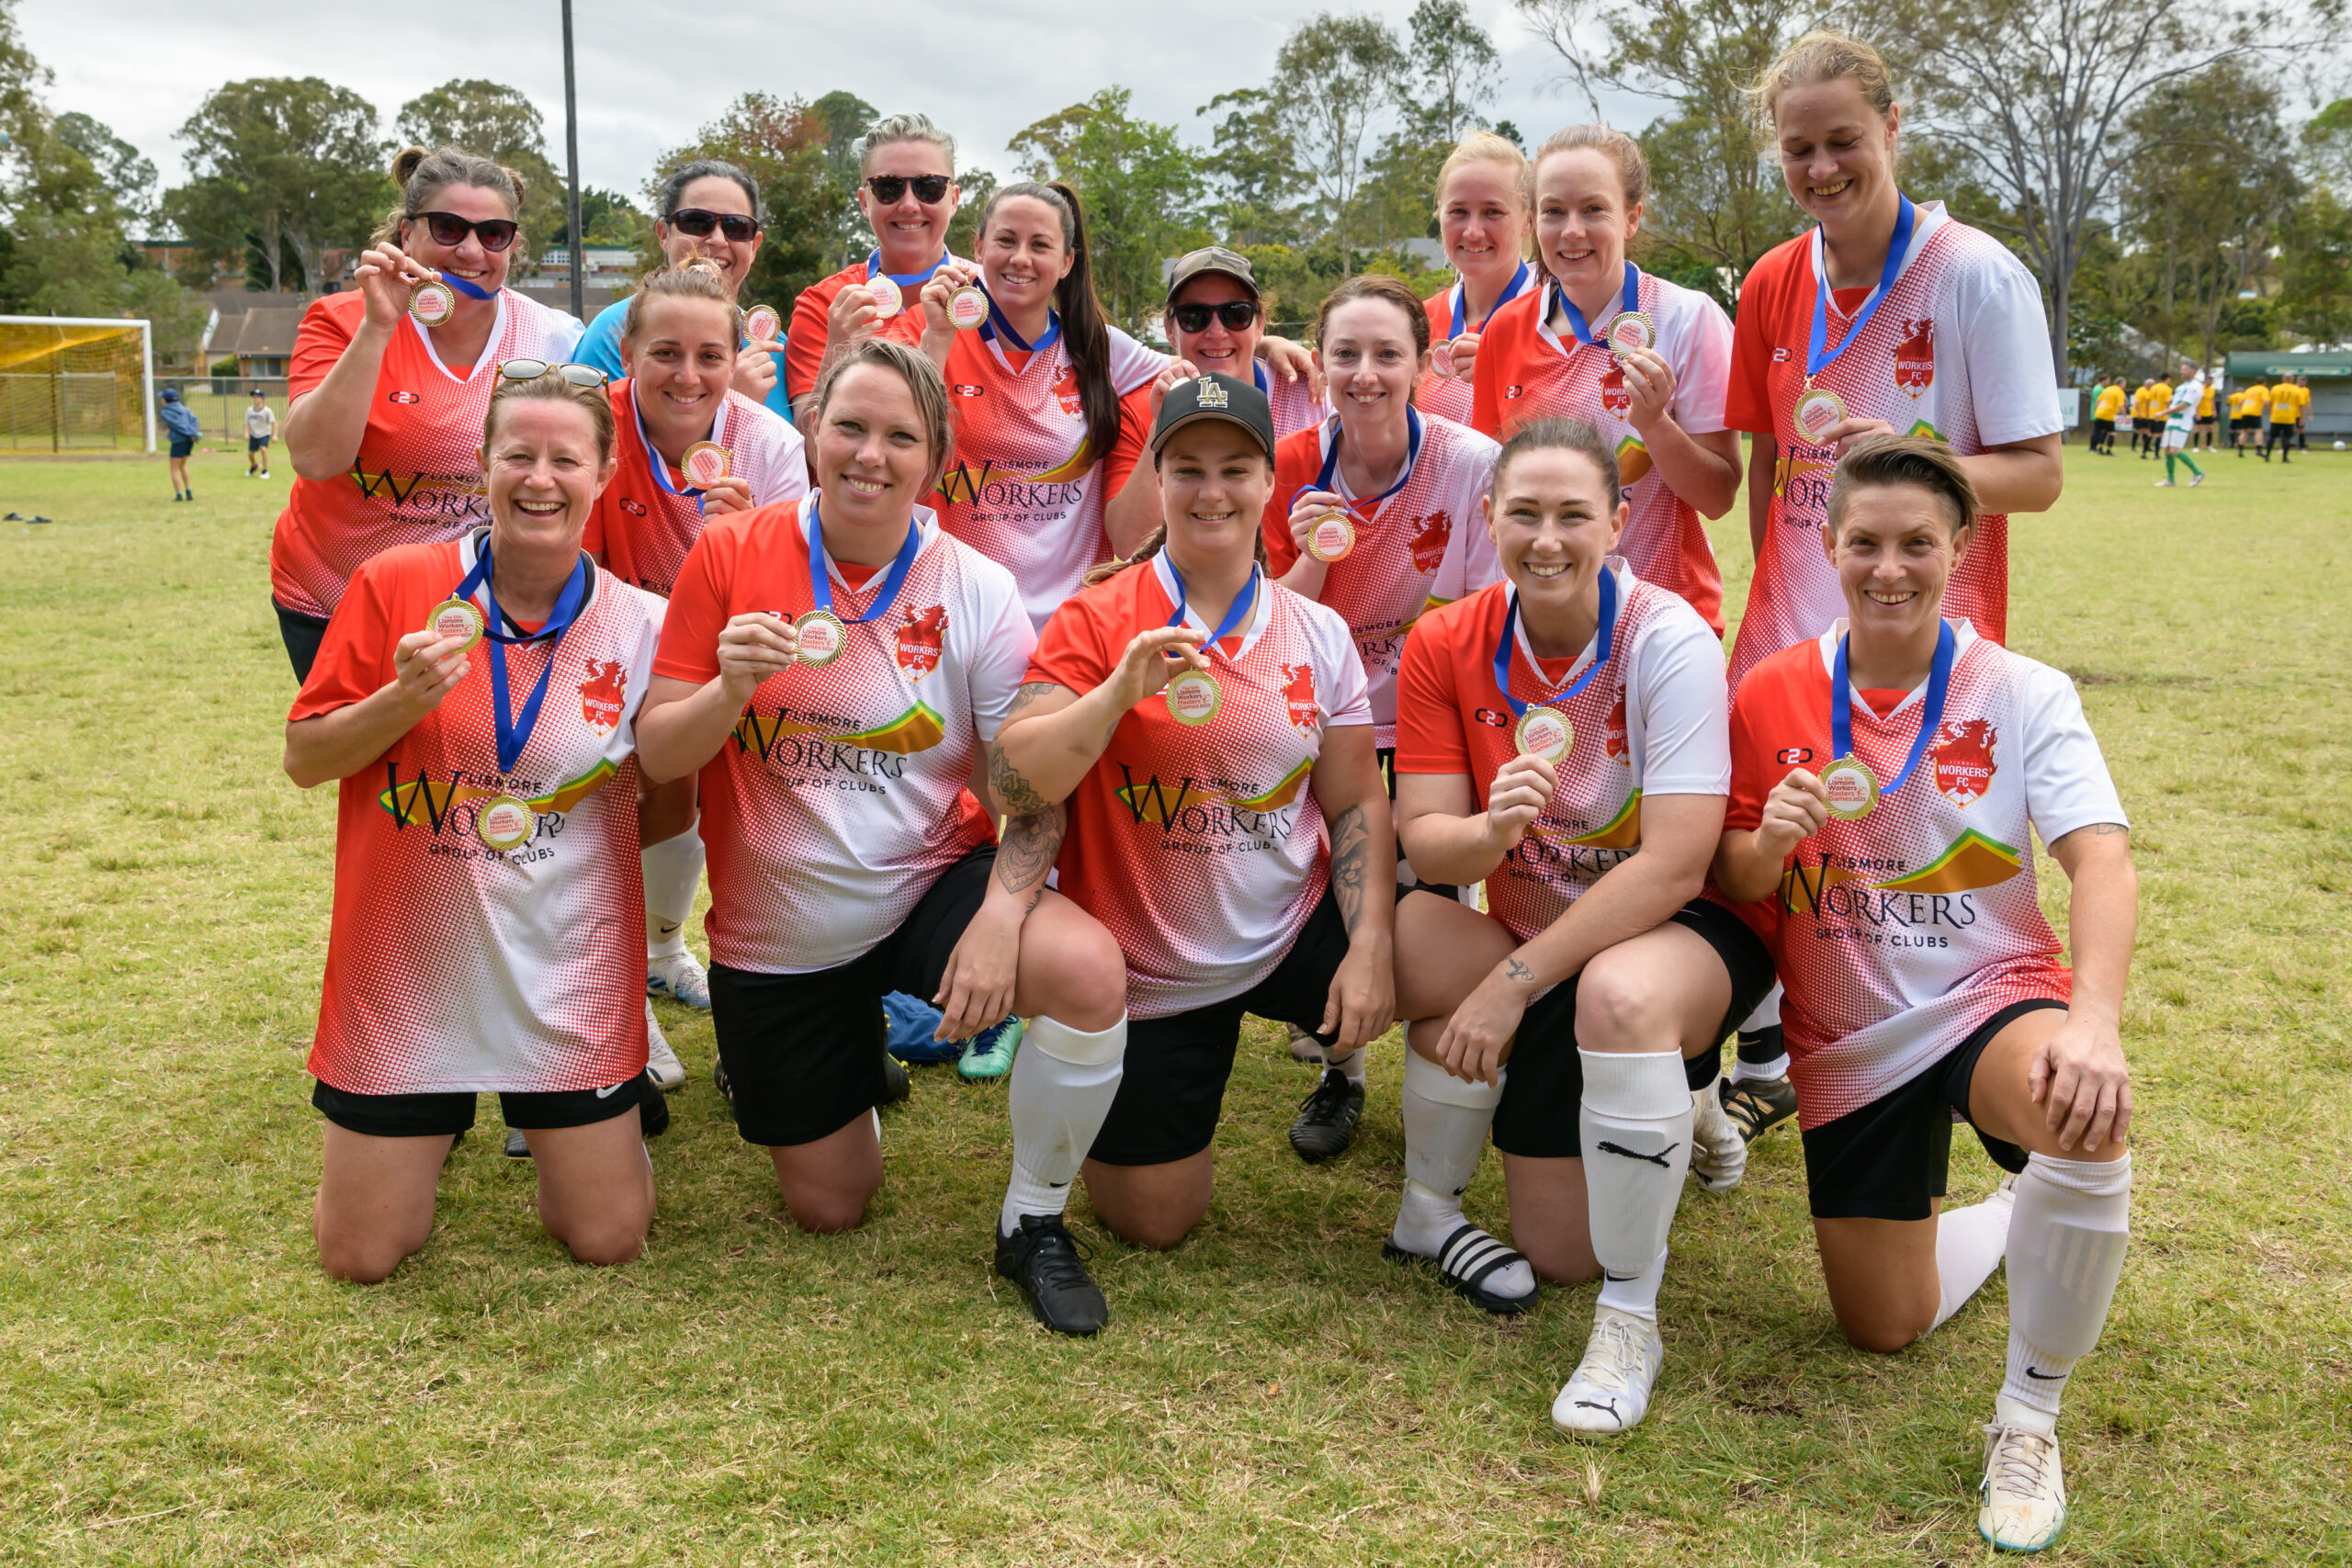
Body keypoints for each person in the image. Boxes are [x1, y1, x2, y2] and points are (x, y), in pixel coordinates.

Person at [632, 338, 1132, 1335]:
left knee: (1083, 968)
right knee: (830, 1207)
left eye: (899, 436)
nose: (870, 454)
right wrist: (730, 687)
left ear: (932, 457)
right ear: (812, 429)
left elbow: (1022, 783)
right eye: (850, 427)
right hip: (779, 932)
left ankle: (1031, 1222)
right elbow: (657, 753)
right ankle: (849, 1053)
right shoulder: (731, 552)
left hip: (928, 882)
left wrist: (1000, 916)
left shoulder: (977, 587)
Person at [1713, 436, 2136, 1554]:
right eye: (1865, 542)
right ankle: (2006, 1220)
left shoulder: (2021, 690)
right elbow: (1735, 879)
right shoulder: (1769, 690)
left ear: (1961, 548)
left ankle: (2030, 1414)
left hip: (1985, 996)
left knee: (2082, 1115)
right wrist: (1767, 842)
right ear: (1828, 544)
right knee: (1880, 1327)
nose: (1888, 567)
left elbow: (2101, 861)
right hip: (1847, 1037)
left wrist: (2091, 1023)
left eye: (1915, 544)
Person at [1386, 419, 1770, 1438]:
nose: (1545, 539)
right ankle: (1432, 1205)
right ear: (1488, 521)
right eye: (1523, 514)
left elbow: (1679, 862)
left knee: (1614, 998)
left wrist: (1511, 984)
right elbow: (1429, 850)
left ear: (1617, 521)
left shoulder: (1666, 636)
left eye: (1572, 516)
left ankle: (1631, 1316)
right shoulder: (1447, 638)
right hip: (1538, 944)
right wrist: (1491, 828)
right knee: (1403, 944)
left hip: (1673, 933)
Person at [1725, 32, 2064, 1131]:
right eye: (1798, 149)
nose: (1821, 168)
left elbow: (2040, 475)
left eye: (1841, 141)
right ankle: (1758, 1064)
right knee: (1764, 852)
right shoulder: (1775, 278)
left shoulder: (1974, 273)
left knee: (1880, 885)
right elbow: (1770, 463)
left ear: (1891, 129)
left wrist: (1920, 468)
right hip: (1785, 634)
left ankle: (1901, 1082)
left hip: (1921, 637)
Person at [283, 363, 680, 1283]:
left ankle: (583, 1128)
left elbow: (673, 800)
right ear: (481, 462)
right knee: (362, 1256)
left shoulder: (642, 625)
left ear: (604, 473)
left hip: (566, 972)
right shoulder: (396, 584)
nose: (540, 478)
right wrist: (402, 698)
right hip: (409, 970)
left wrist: (555, 837)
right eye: (518, 455)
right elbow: (307, 759)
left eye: (565, 459)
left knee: (608, 1236)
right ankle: (429, 1126)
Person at [989, 371, 1396, 1253]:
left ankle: (1436, 1207)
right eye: (1188, 468)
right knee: (1153, 1224)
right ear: (1160, 480)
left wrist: (1369, 947)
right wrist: (1112, 697)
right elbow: (1014, 788)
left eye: (1235, 467)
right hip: (1154, 973)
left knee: (1465, 969)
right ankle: (1078, 1064)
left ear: (1268, 482)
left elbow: (1357, 794)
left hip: (1293, 929)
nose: (1213, 490)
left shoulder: (1316, 630)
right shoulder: (1098, 617)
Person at [1259, 275, 1505, 1158]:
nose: (1365, 374)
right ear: (1319, 366)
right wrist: (1315, 555)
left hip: (1432, 718)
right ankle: (1344, 1070)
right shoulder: (1288, 464)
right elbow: (1269, 626)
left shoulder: (1471, 462)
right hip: (1325, 717)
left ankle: (1442, 1080)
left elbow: (1485, 616)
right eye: (1346, 355)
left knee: (1433, 905)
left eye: (1386, 354)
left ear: (1424, 363)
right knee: (1333, 895)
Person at [574, 259, 808, 1091]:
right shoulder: (590, 426)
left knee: (700, 792)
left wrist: (751, 542)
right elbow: (567, 570)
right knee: (612, 795)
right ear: (628, 350)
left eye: (711, 356)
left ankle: (665, 949)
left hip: (718, 653)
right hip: (599, 638)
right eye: (665, 352)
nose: (689, 375)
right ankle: (616, 1003)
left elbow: (797, 594)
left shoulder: (771, 442)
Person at [275, 146, 583, 683]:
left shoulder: (554, 337)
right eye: (447, 228)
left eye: (493, 234)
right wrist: (379, 326)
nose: (470, 250)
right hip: (335, 594)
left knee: (456, 764)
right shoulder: (342, 320)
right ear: (406, 235)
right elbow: (317, 458)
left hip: (476, 601)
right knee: (367, 758)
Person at [1469, 125, 1742, 639]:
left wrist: (1654, 424)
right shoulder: (1505, 329)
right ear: (1533, 222)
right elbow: (1493, 488)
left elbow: (1719, 496)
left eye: (1594, 209)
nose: (1572, 231)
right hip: (1544, 620)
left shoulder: (1687, 317)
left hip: (1663, 616)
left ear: (1632, 217)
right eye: (1554, 212)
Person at [912, 180, 1167, 630]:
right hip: (959, 616)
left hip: (1073, 622)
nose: (1020, 258)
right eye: (1006, 240)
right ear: (978, 245)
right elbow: (904, 444)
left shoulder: (1099, 349)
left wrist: (1263, 344)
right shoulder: (935, 329)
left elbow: (1193, 372)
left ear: (1067, 262)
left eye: (1040, 245)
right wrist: (935, 339)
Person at [1102, 249, 1328, 553]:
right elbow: (1130, 544)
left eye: (1236, 315)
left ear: (1259, 324)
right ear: (1170, 329)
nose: (1217, 332)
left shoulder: (1308, 395)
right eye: (1194, 317)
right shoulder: (1143, 407)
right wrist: (1160, 423)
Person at [574, 159, 791, 423]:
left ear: (754, 245)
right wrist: (731, 404)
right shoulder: (613, 330)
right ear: (664, 234)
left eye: (737, 227)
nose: (718, 240)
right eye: (697, 222)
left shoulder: (773, 343)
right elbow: (594, 450)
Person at [786, 114, 965, 411]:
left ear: (954, 199)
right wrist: (836, 353)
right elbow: (810, 448)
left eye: (929, 187)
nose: (908, 205)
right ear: (864, 202)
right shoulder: (825, 305)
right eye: (888, 188)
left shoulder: (986, 297)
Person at [1418, 131, 1536, 427]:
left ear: (1528, 220)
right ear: (1439, 216)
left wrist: (1503, 372)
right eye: (1458, 211)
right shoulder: (1418, 320)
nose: (1472, 231)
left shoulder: (1559, 317)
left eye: (1492, 212)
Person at [2155, 362, 2205, 488]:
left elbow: (2184, 405)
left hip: (2183, 421)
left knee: (2175, 450)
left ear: (2193, 370)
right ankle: (2170, 479)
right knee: (2167, 450)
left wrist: (2163, 412)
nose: (2182, 372)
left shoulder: (2195, 386)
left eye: (2185, 369)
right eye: (2181, 369)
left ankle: (2198, 472)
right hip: (2172, 420)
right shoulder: (2180, 387)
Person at [160, 387, 200, 501]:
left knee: (174, 469)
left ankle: (179, 495)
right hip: (189, 440)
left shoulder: (165, 412)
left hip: (179, 441)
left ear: (165, 400)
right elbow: (194, 421)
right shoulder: (185, 409)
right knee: (183, 465)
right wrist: (193, 433)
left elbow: (177, 424)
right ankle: (188, 491)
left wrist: (190, 433)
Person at [2263, 374, 2298, 462]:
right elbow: (2301, 405)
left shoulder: (2276, 388)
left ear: (2283, 379)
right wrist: (2301, 418)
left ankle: (2267, 456)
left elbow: (2269, 402)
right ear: (2292, 380)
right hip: (2289, 418)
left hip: (2276, 416)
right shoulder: (2296, 389)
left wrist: (2271, 412)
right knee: (2286, 437)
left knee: (2272, 436)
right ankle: (2285, 458)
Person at [245, 389, 277, 478]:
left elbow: (274, 423)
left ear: (262, 399)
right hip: (253, 434)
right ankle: (254, 466)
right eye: (254, 397)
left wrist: (274, 435)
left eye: (257, 397)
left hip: (264, 433)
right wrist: (247, 433)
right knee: (250, 454)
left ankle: (265, 471)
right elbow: (248, 423)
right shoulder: (249, 410)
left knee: (263, 450)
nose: (255, 399)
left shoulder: (267, 411)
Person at [2230, 377, 2266, 457]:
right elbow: (2265, 401)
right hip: (2255, 412)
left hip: (2244, 412)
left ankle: (2240, 451)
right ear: (2264, 383)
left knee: (2244, 431)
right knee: (2258, 430)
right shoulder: (2263, 389)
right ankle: (2259, 450)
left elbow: (2241, 402)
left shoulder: (2249, 389)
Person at [2140, 374, 2172, 461]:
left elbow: (2148, 400)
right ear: (2167, 379)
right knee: (2159, 435)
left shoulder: (2153, 387)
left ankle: (2143, 453)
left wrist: (2147, 412)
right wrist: (2169, 413)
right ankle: (2156, 455)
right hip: (2161, 415)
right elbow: (2167, 402)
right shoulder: (2167, 389)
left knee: (2150, 434)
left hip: (2151, 414)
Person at [2087, 379, 2122, 456]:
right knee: (2112, 433)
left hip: (2099, 413)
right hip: (2109, 415)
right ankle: (2108, 450)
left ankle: (2098, 448)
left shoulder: (2107, 389)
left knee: (2101, 431)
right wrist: (2124, 415)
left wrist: (2097, 409)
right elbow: (2120, 406)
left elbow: (2098, 401)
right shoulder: (2119, 392)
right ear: (2122, 384)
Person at [2193, 371, 2218, 450]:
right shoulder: (2200, 389)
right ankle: (2196, 446)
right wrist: (2197, 413)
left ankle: (2208, 445)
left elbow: (2212, 400)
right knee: (2198, 428)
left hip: (2208, 412)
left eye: (2211, 381)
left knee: (2210, 428)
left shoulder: (2212, 390)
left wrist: (2214, 410)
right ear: (2206, 381)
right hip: (2200, 412)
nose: (2210, 382)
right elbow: (2196, 401)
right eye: (2209, 381)